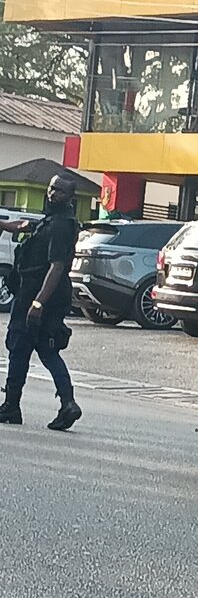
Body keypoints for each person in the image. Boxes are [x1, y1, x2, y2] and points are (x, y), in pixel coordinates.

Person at [0, 173, 82, 430]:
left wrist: (38, 304)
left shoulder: (61, 226)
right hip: (33, 294)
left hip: (40, 296)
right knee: (25, 348)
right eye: (51, 188)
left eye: (59, 191)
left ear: (70, 197)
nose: (52, 193)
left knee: (33, 347)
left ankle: (62, 404)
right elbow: (25, 225)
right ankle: (14, 405)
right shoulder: (52, 221)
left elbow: (56, 267)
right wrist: (4, 225)